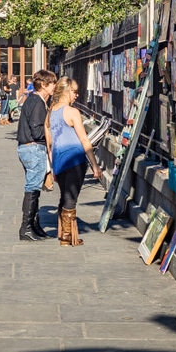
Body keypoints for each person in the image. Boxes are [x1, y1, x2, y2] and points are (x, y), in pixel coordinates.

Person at [49, 77, 103, 247]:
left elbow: (50, 144)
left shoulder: (51, 112)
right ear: (66, 91)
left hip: (59, 160)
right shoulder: (72, 112)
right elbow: (84, 140)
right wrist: (95, 165)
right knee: (71, 198)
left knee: (64, 196)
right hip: (74, 159)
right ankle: (67, 237)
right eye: (74, 91)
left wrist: (52, 167)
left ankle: (65, 233)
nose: (77, 95)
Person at [16, 70, 57, 241]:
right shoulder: (38, 102)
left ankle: (34, 225)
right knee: (32, 187)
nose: (55, 86)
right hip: (33, 148)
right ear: (44, 85)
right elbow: (37, 128)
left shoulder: (33, 100)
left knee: (35, 186)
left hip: (27, 148)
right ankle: (26, 228)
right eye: (52, 83)